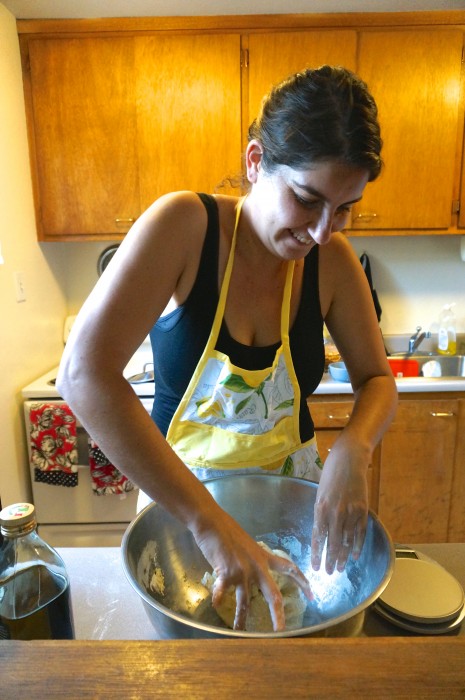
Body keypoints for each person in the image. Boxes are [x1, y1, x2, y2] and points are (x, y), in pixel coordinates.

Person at [57, 65, 398, 632]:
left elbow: (378, 381)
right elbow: (83, 374)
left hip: (296, 511)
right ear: (255, 160)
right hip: (184, 518)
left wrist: (354, 449)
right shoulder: (184, 229)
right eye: (307, 199)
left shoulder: (333, 263)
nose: (323, 232)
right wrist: (209, 523)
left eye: (344, 208)